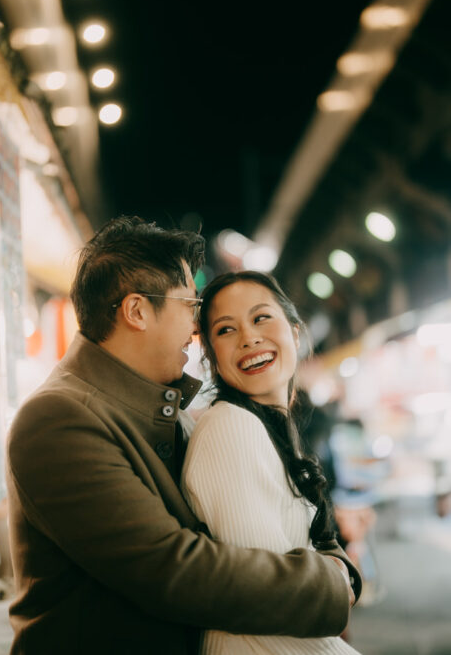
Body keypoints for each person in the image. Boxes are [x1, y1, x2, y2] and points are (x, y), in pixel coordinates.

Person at [6, 217, 361, 655]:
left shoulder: (157, 406)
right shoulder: (58, 419)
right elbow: (169, 569)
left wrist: (335, 562)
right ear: (137, 311)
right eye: (189, 306)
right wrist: (329, 585)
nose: (196, 331)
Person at [182, 270, 362, 654]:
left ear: (294, 333)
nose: (249, 337)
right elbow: (272, 603)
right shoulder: (231, 428)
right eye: (226, 330)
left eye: (261, 317)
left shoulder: (270, 427)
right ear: (213, 360)